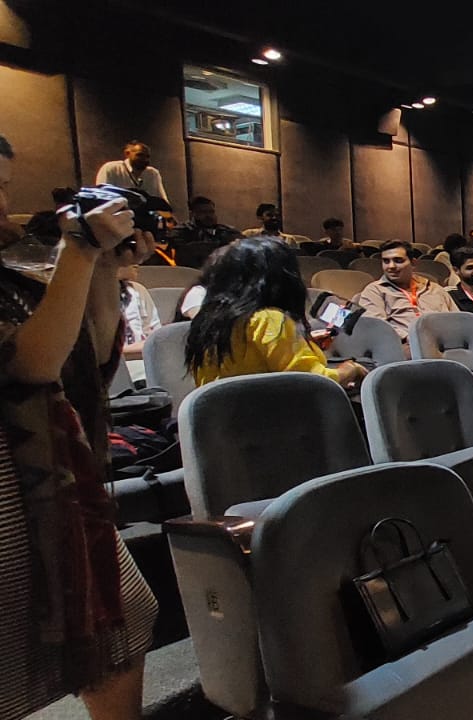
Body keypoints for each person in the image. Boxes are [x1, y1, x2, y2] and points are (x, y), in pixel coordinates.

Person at [0, 131, 158, 720]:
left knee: (123, 621)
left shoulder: (13, 264)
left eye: (3, 187)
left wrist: (105, 267)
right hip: (14, 480)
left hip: (52, 473)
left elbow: (85, 360)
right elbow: (31, 364)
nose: (2, 204)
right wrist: (80, 250)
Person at [183, 237, 366, 390]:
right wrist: (351, 369)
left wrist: (297, 344)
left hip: (222, 419)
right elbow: (314, 382)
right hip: (271, 418)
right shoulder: (269, 319)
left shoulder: (208, 319)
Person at [354, 240, 454, 346]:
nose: (391, 266)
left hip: (446, 345)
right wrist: (409, 337)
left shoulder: (434, 289)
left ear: (413, 263)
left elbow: (457, 320)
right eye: (386, 261)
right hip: (404, 346)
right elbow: (377, 327)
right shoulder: (375, 291)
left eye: (398, 261)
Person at [117, 267, 162, 385]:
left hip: (145, 363)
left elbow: (155, 336)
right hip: (118, 369)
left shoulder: (137, 289)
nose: (137, 262)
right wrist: (139, 348)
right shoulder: (88, 293)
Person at [93, 140, 168, 202]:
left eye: (147, 157)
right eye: (140, 155)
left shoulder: (153, 173)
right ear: (127, 153)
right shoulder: (111, 169)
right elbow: (102, 197)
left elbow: (162, 202)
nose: (145, 160)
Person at [172, 196, 240, 247]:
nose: (209, 216)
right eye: (203, 212)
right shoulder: (181, 231)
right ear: (192, 214)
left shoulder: (226, 231)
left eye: (211, 212)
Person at [240, 203, 309, 245]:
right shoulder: (249, 235)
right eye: (269, 215)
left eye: (277, 215)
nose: (274, 218)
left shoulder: (289, 240)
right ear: (260, 217)